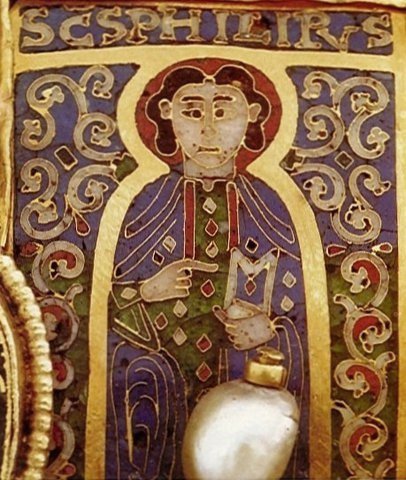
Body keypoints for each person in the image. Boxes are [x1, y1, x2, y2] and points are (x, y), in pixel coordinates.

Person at [106, 59, 307, 480]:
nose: (209, 131)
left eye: (225, 111)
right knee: (143, 375)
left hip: (246, 393)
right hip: (161, 384)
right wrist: (144, 292)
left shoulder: (270, 208)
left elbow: (305, 314)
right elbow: (96, 311)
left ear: (253, 116)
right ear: (167, 116)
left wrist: (270, 331)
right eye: (193, 112)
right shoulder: (148, 205)